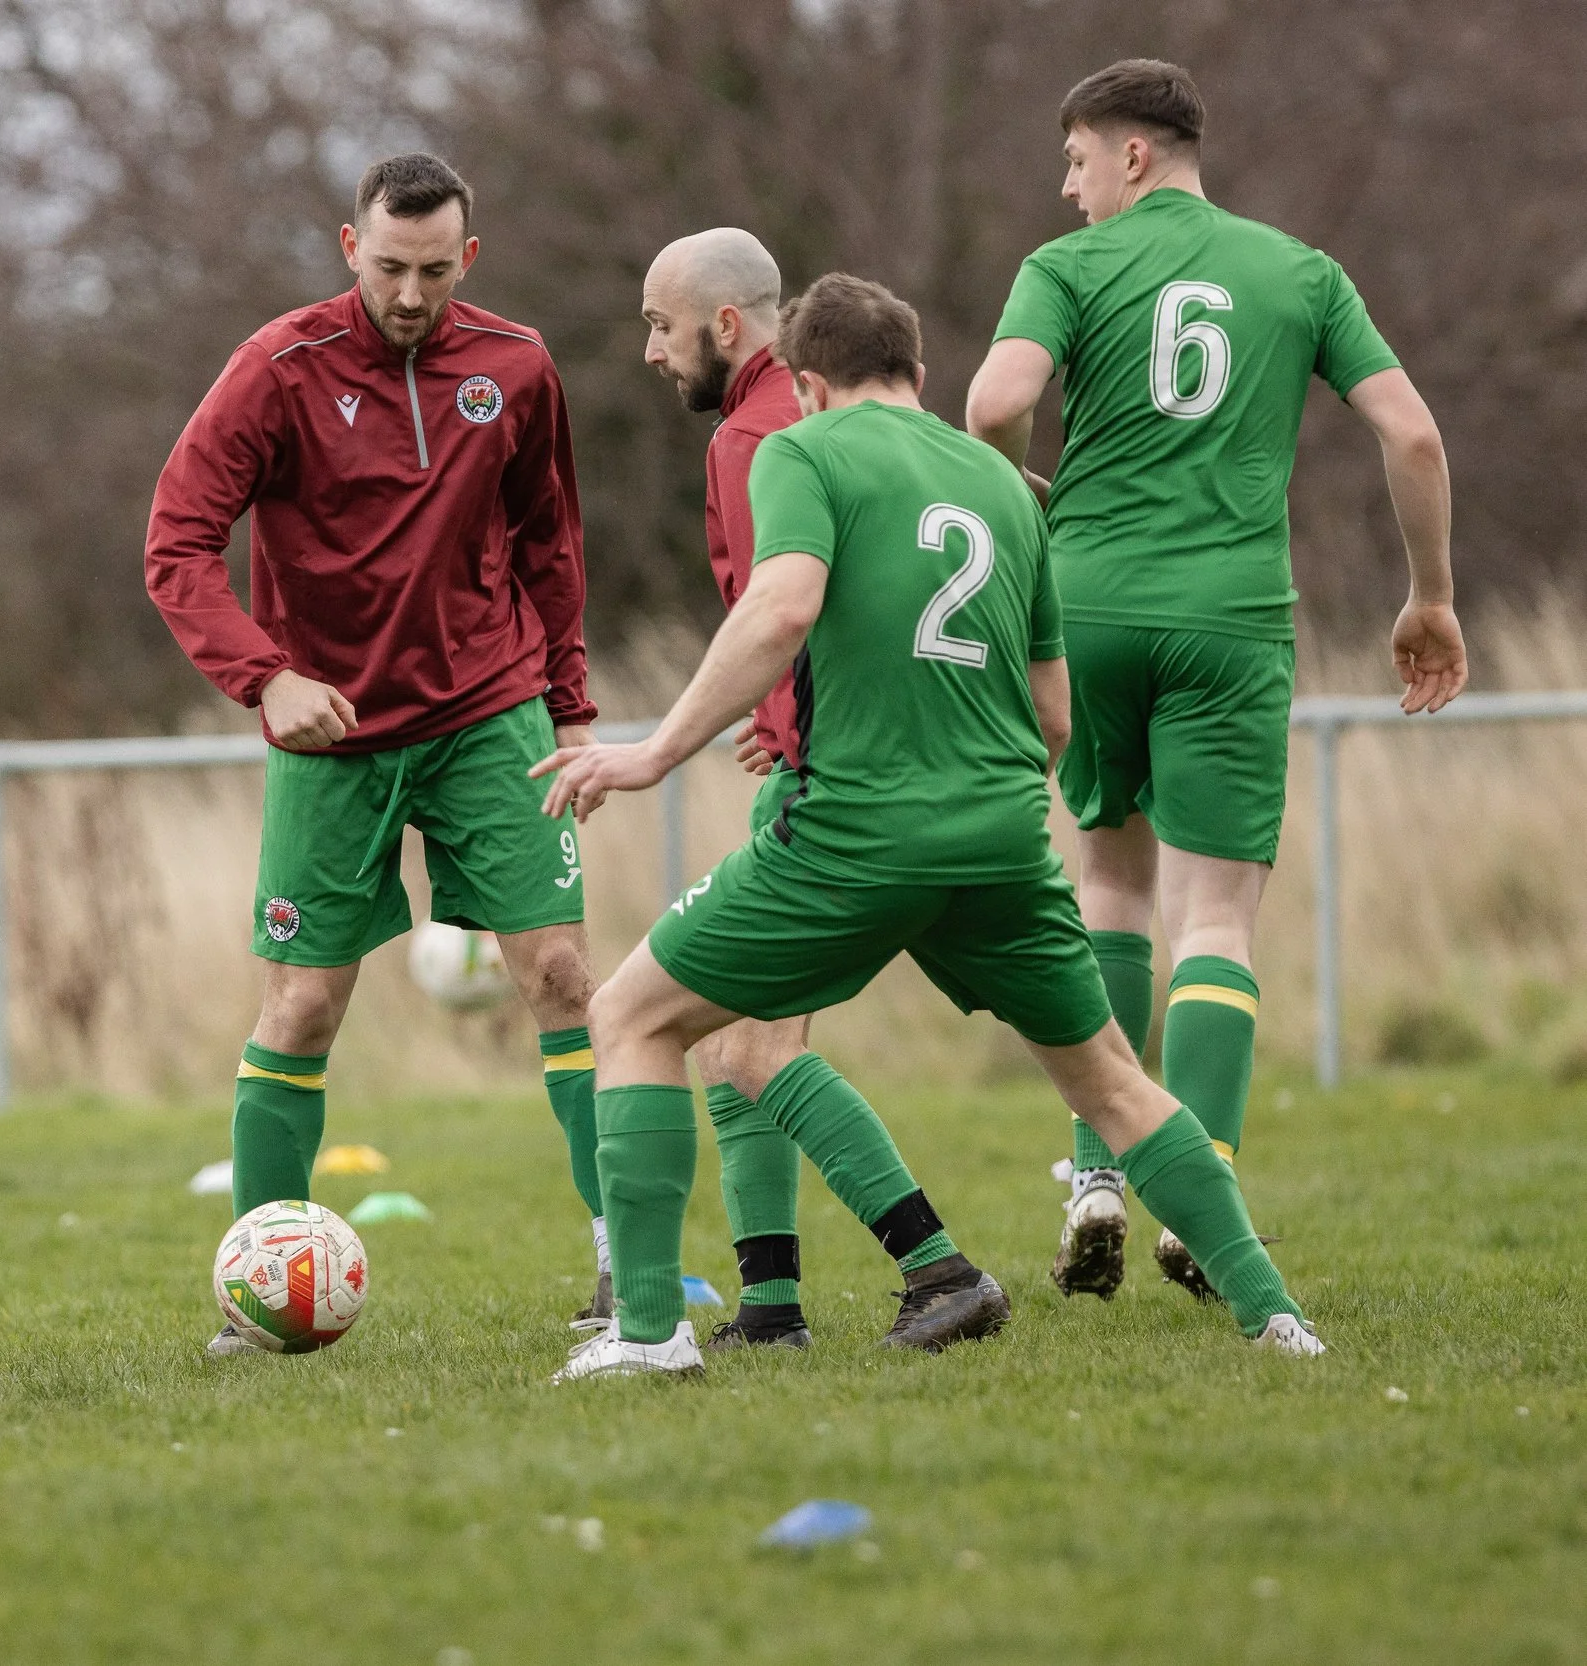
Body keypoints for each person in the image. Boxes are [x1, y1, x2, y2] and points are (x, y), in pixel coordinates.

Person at [540, 274, 1323, 1382]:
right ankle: (1278, 1319)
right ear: (916, 370)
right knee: (1109, 1080)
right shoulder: (1007, 484)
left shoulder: (799, 453)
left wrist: (654, 750)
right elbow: (1054, 712)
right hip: (1003, 838)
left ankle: (651, 1332)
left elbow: (781, 606)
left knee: (630, 1015)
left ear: (807, 384)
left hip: (854, 837)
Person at [965, 60, 1465, 1299]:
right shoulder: (1300, 271)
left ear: (1133, 156)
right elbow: (1411, 431)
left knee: (1111, 886)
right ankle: (1206, 1187)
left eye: (1076, 159)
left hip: (1089, 610)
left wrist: (1033, 508)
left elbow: (990, 405)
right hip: (1231, 618)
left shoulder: (1064, 271)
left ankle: (1095, 1169)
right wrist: (1430, 596)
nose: (1065, 186)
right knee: (1219, 917)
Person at [145, 155, 607, 1353]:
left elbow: (547, 540)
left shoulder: (516, 366)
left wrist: (569, 705)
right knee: (301, 1006)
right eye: (389, 266)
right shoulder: (276, 370)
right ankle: (258, 1298)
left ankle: (628, 1266)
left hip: (488, 713)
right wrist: (266, 675)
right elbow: (178, 543)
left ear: (471, 257)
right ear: (349, 248)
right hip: (332, 731)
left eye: (434, 268)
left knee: (562, 973)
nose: (410, 292)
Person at [642, 228, 974, 1354]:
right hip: (849, 759)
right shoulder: (850, 414)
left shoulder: (758, 436)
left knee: (740, 1052)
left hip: (833, 788)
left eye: (659, 325)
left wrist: (788, 724)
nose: (648, 350)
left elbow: (791, 604)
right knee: (732, 1054)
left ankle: (939, 1268)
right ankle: (772, 1307)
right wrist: (776, 710)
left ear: (725, 326)